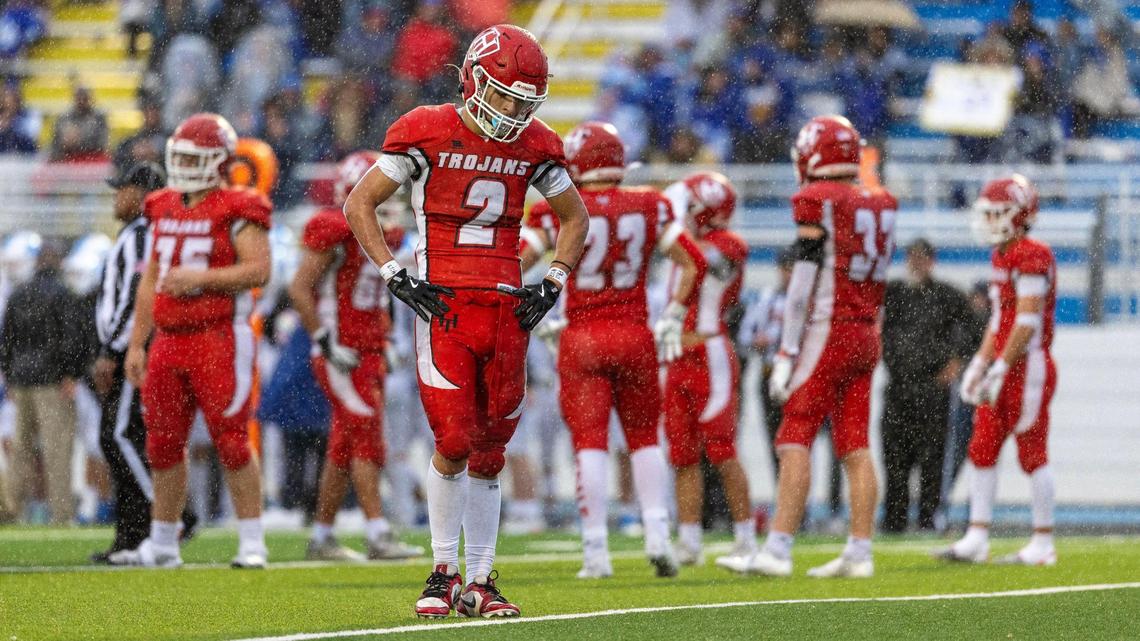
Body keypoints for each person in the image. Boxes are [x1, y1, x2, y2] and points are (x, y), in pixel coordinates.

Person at [342, 25, 588, 618]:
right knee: (452, 440)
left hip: (506, 308)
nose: (509, 112)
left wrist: (553, 280)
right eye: (502, 96)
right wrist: (394, 273)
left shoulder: (537, 144)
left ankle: (481, 580)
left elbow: (574, 218)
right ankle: (442, 570)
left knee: (491, 449)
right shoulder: (426, 128)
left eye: (521, 103)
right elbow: (359, 202)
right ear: (474, 78)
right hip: (445, 304)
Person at [521, 121, 699, 579]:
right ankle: (658, 535)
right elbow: (692, 263)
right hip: (635, 333)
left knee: (590, 444)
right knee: (643, 439)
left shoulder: (560, 208)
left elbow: (518, 260)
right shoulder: (649, 204)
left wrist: (533, 306)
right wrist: (675, 313)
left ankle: (596, 552)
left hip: (583, 336)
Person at [723, 115, 898, 578]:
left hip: (829, 328)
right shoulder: (879, 201)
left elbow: (801, 289)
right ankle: (860, 552)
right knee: (855, 444)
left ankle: (778, 547)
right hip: (866, 330)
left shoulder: (818, 199)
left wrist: (785, 354)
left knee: (794, 433)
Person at [119, 113, 272, 569]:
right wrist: (135, 343)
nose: (183, 163)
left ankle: (252, 542)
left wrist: (202, 279)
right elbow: (150, 282)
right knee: (162, 443)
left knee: (230, 440)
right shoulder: (162, 205)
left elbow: (260, 270)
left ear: (219, 162)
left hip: (218, 336)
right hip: (168, 340)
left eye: (193, 156)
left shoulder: (239, 207)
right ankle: (164, 542)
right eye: (179, 155)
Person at [289, 150, 424, 562]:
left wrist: (383, 340)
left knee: (343, 446)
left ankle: (322, 536)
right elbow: (298, 288)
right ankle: (378, 533)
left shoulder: (388, 233)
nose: (388, 197)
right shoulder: (333, 228)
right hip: (341, 349)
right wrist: (325, 341)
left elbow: (376, 295)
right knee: (367, 436)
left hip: (367, 349)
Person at [936, 175, 1058, 566]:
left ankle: (1043, 543)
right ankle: (976, 536)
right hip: (1005, 366)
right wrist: (980, 362)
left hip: (1029, 366)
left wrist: (1002, 365)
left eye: (997, 213)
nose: (989, 220)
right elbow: (999, 320)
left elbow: (1026, 321)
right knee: (982, 447)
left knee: (1032, 452)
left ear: (1019, 215)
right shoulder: (1002, 255)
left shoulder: (1032, 255)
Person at [91, 162, 197, 563]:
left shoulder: (142, 234)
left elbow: (136, 294)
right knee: (127, 436)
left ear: (141, 192)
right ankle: (131, 535)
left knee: (119, 437)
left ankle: (173, 515)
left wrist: (112, 351)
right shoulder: (140, 233)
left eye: (123, 189)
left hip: (133, 352)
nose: (117, 197)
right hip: (136, 349)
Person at [658, 171, 755, 569]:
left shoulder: (729, 246)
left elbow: (700, 262)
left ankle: (747, 539)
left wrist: (674, 211)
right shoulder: (688, 241)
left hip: (710, 353)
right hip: (677, 354)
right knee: (682, 454)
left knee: (721, 450)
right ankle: (690, 540)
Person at [880, 239, 974, 533]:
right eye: (912, 257)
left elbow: (977, 326)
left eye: (921, 258)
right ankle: (894, 521)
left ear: (931, 261)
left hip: (932, 390)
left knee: (932, 460)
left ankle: (928, 520)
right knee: (894, 458)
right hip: (897, 389)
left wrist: (957, 362)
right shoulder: (893, 293)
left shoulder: (947, 296)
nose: (916, 263)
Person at [0, 241, 87, 525]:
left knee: (21, 450)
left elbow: (7, 340)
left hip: (21, 380)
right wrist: (71, 374)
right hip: (51, 382)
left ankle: (10, 509)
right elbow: (72, 338)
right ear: (58, 263)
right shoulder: (64, 295)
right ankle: (61, 514)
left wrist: (10, 376)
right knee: (56, 450)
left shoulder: (19, 294)